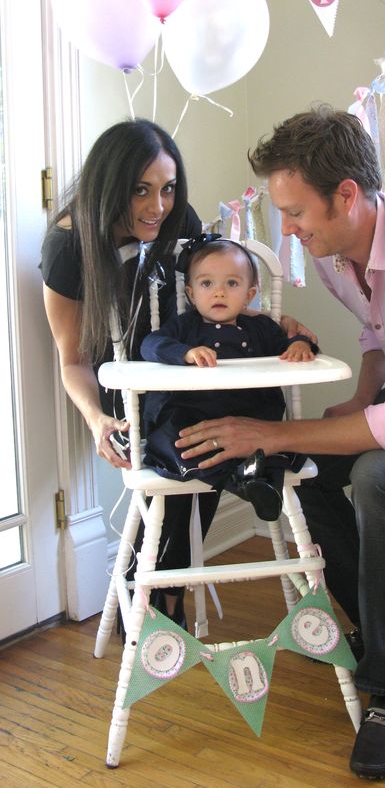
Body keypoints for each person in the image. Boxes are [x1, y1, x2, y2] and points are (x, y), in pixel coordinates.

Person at [173, 105, 385, 780]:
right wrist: (363, 397)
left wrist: (269, 428)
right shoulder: (339, 252)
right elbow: (378, 336)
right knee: (306, 469)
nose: (286, 228)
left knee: (377, 477)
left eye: (294, 210)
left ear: (346, 194)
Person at [41, 117, 316, 628]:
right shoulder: (68, 248)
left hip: (191, 371)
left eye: (167, 189)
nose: (157, 207)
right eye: (140, 191)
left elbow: (212, 287)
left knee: (215, 432)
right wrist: (96, 421)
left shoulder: (176, 219)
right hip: (123, 388)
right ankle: (160, 593)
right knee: (189, 447)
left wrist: (269, 322)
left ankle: (165, 590)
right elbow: (72, 360)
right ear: (110, 187)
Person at [140, 235, 319, 522]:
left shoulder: (260, 328)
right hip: (195, 419)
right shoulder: (186, 328)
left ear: (249, 295)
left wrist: (300, 344)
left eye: (232, 284)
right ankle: (248, 483)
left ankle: (256, 482)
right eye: (207, 284)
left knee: (274, 452)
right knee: (181, 444)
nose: (219, 292)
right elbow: (150, 345)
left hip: (252, 420)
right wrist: (185, 353)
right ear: (191, 293)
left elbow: (286, 346)